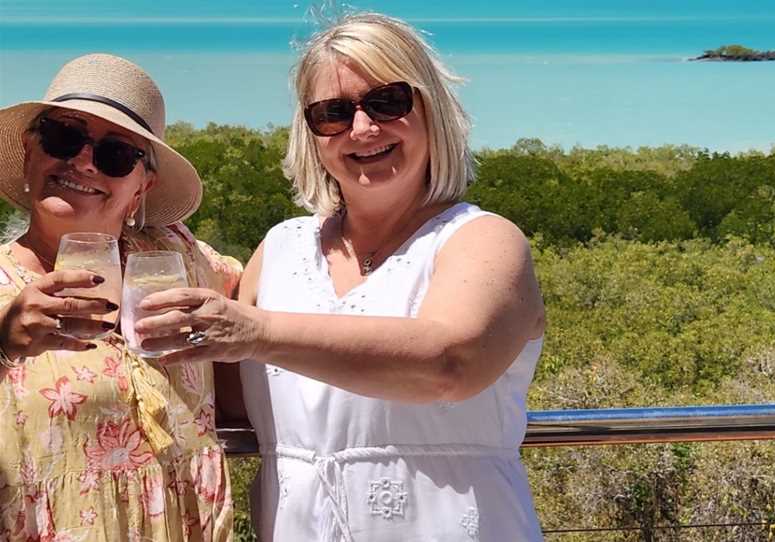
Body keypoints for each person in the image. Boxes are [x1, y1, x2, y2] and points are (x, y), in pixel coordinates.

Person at [134, 12, 546, 541]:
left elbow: (451, 362)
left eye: (388, 101)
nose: (363, 128)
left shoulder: (484, 240)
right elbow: (226, 400)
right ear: (311, 134)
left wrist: (253, 331)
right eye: (333, 113)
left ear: (431, 109)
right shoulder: (280, 248)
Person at [0, 54, 238, 541]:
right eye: (64, 137)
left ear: (141, 186)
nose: (83, 162)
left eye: (115, 155)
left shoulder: (178, 254)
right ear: (30, 152)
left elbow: (263, 291)